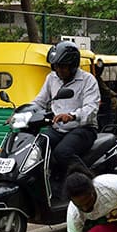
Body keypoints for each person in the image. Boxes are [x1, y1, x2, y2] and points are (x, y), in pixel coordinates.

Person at [30, 41, 100, 181]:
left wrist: (71, 116)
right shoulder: (52, 78)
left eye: (63, 67)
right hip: (58, 129)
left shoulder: (88, 80)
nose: (59, 70)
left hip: (83, 129)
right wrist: (22, 112)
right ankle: (48, 182)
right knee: (36, 147)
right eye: (56, 66)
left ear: (73, 66)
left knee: (63, 152)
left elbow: (91, 108)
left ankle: (89, 183)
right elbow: (39, 101)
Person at [93, 59, 117, 130]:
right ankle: (112, 120)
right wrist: (115, 94)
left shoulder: (96, 78)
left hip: (101, 97)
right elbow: (105, 89)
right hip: (100, 99)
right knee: (114, 101)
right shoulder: (95, 78)